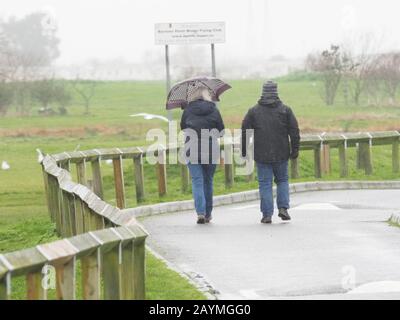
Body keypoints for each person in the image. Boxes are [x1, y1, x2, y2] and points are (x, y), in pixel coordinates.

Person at [241, 81, 300, 224]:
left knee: (265, 184)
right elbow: (294, 131)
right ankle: (283, 208)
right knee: (282, 180)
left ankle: (267, 214)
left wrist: (244, 151)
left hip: (261, 154)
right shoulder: (285, 110)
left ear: (263, 92)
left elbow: (245, 132)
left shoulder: (253, 111)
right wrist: (295, 150)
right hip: (282, 152)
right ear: (276, 92)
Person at [180, 86, 225, 224]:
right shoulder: (214, 109)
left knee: (197, 181)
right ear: (207, 95)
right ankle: (208, 214)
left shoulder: (187, 110)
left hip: (191, 149)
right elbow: (221, 131)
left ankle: (200, 212)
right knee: (208, 181)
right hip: (211, 150)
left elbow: (183, 128)